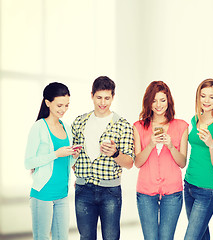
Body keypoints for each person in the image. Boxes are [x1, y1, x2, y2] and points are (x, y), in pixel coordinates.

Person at [72, 76, 134, 240]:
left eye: (107, 98)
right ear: (91, 95)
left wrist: (115, 153)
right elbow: (72, 156)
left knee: (111, 237)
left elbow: (129, 163)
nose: (103, 102)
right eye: (99, 97)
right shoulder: (79, 122)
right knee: (85, 237)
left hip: (110, 192)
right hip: (83, 189)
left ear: (113, 97)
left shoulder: (122, 125)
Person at [133, 81, 188, 240]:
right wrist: (150, 144)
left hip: (172, 192)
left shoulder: (182, 126)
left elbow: (182, 162)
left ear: (168, 101)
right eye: (154, 100)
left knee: (166, 238)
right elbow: (138, 162)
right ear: (148, 102)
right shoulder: (138, 126)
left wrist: (170, 146)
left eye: (162, 100)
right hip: (145, 192)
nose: (158, 105)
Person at [25, 82, 80, 240]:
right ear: (48, 103)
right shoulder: (39, 127)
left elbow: (63, 164)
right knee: (42, 237)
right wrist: (56, 154)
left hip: (62, 193)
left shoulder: (67, 128)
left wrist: (73, 156)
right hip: (42, 193)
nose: (63, 110)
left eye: (67, 105)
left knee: (61, 237)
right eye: (59, 105)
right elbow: (28, 162)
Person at [184, 79, 213, 240]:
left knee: (191, 237)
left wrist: (211, 144)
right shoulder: (195, 118)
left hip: (208, 190)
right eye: (203, 96)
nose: (206, 100)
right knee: (201, 235)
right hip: (189, 184)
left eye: (212, 97)